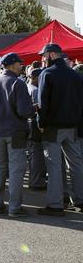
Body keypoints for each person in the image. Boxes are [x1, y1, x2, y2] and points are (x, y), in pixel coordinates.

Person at [0, 53, 35, 217]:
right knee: (16, 170)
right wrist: (34, 109)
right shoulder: (18, 83)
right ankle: (14, 207)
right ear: (12, 65)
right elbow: (24, 111)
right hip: (15, 132)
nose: (21, 66)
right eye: (19, 64)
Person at [36, 43, 83, 216]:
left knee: (54, 165)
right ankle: (80, 200)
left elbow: (43, 103)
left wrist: (41, 123)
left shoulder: (47, 73)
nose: (42, 58)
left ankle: (55, 204)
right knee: (76, 164)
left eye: (44, 55)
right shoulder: (74, 74)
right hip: (73, 126)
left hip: (53, 127)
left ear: (52, 55)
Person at [26, 68, 47, 190]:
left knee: (33, 154)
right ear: (34, 77)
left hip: (30, 125)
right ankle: (37, 182)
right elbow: (38, 110)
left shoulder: (28, 87)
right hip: (35, 125)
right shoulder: (35, 90)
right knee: (37, 155)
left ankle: (35, 180)